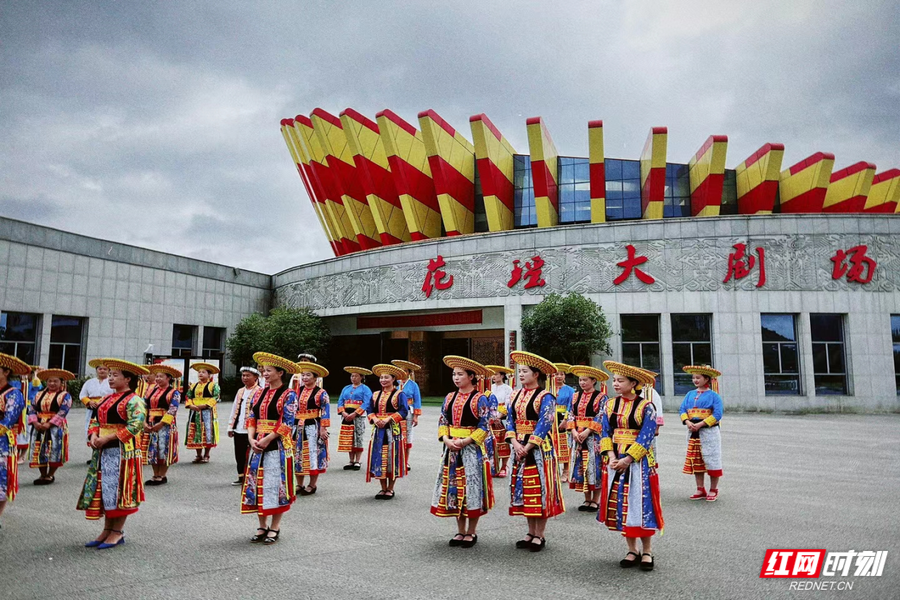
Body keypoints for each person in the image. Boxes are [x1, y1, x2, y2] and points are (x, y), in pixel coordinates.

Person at [599, 361, 664, 571]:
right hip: (615, 459)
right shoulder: (609, 405)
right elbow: (604, 431)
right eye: (614, 380)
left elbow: (646, 436)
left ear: (633, 383)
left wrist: (627, 459)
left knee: (641, 504)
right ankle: (631, 549)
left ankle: (647, 550)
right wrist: (611, 455)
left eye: (620, 380)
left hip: (639, 463)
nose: (615, 384)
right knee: (623, 503)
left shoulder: (647, 407)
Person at [78, 359, 148, 550]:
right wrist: (93, 435)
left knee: (119, 490)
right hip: (103, 451)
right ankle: (107, 529)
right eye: (109, 375)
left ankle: (117, 531)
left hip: (123, 452)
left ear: (127, 379)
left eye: (115, 375)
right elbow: (95, 421)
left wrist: (107, 438)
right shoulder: (106, 399)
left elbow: (136, 425)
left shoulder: (134, 400)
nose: (110, 378)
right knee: (105, 489)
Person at [432, 356, 494, 548]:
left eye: (460, 374)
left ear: (471, 376)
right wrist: (446, 439)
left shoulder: (480, 398)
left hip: (471, 450)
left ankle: (471, 531)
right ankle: (460, 530)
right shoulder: (449, 397)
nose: (456, 378)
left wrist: (466, 441)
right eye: (454, 374)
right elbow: (443, 420)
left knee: (471, 488)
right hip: (452, 450)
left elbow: (485, 425)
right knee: (455, 487)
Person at [506, 351, 565, 552]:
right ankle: (530, 532)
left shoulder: (546, 397)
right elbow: (510, 420)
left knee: (540, 488)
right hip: (518, 445)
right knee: (524, 489)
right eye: (520, 371)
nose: (521, 374)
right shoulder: (515, 395)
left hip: (539, 448)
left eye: (525, 371)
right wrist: (515, 442)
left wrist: (528, 446)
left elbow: (545, 423)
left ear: (536, 374)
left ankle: (540, 534)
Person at [241, 352, 298, 545]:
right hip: (257, 442)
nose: (265, 374)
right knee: (258, 482)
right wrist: (251, 438)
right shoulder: (259, 393)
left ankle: (275, 526)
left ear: (280, 373)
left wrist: (268, 439)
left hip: (278, 444)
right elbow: (252, 417)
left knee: (275, 484)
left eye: (269, 371)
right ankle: (261, 525)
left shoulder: (289, 394)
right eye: (264, 371)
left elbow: (287, 422)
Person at [566, 365, 609, 512]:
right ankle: (586, 498)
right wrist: (573, 430)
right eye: (580, 380)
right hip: (577, 435)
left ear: (593, 381)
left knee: (594, 465)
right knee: (582, 466)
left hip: (594, 437)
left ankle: (595, 500)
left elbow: (602, 415)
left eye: (585, 380)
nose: (582, 383)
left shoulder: (601, 397)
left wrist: (588, 431)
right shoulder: (575, 396)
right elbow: (570, 414)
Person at [363, 363, 409, 499]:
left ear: (393, 379)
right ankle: (382, 487)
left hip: (393, 431)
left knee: (392, 457)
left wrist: (389, 419)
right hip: (378, 430)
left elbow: (403, 411)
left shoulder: (399, 394)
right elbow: (370, 409)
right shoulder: (375, 394)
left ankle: (390, 488)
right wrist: (375, 419)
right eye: (381, 377)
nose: (383, 380)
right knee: (379, 456)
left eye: (386, 377)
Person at [679, 365, 724, 502]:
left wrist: (701, 424)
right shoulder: (689, 394)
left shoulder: (714, 396)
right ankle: (700, 488)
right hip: (693, 431)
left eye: (698, 377)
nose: (695, 380)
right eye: (693, 378)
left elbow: (717, 414)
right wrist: (687, 422)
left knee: (712, 459)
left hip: (709, 432)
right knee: (696, 459)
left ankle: (713, 489)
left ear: (707, 379)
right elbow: (682, 409)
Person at [28, 368, 75, 485]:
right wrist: (35, 423)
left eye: (55, 381)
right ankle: (42, 474)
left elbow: (63, 411)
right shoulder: (38, 394)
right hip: (39, 425)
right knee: (39, 448)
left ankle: (50, 474)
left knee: (55, 448)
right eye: (50, 381)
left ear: (61, 382)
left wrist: (49, 424)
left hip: (56, 427)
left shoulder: (65, 396)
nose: (52, 383)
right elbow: (32, 408)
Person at [0, 353, 30, 524]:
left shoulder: (14, 394)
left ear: (6, 372)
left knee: (1, 480)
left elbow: (8, 420)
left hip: (3, 441)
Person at [294, 361, 330, 496]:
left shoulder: (321, 393)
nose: (305, 377)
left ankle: (312, 484)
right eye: (303, 375)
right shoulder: (296, 391)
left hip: (312, 425)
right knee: (297, 453)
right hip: (297, 426)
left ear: (315, 378)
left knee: (312, 453)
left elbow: (325, 411)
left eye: (308, 375)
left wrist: (323, 428)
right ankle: (299, 484)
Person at [142, 364, 181, 486]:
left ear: (168, 378)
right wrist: (144, 422)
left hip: (165, 424)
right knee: (152, 448)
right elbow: (144, 407)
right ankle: (155, 474)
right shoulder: (151, 391)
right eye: (157, 376)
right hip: (151, 423)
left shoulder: (174, 392)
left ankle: (162, 475)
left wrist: (161, 423)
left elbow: (173, 409)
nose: (158, 379)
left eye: (161, 376)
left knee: (164, 448)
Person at [227, 367, 261, 487]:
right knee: (239, 453)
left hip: (253, 428)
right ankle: (241, 476)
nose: (245, 378)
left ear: (255, 377)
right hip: (239, 427)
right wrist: (230, 426)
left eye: (248, 375)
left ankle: (253, 477)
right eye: (243, 375)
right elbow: (234, 408)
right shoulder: (240, 391)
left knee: (253, 454)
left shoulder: (260, 391)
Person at [337, 367, 373, 470]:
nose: (353, 378)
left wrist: (355, 413)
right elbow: (340, 401)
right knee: (349, 437)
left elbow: (367, 402)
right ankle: (351, 460)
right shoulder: (346, 388)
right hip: (346, 414)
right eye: (352, 376)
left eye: (356, 376)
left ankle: (358, 460)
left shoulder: (365, 389)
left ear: (362, 377)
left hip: (358, 415)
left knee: (358, 436)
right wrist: (343, 412)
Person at [185, 362, 220, 463]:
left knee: (207, 431)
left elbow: (216, 397)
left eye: (203, 372)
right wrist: (190, 405)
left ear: (209, 375)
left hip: (207, 412)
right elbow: (188, 396)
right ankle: (198, 455)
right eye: (199, 372)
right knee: (196, 431)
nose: (200, 374)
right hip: (195, 411)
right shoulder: (193, 386)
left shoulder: (213, 385)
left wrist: (205, 405)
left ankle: (207, 454)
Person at [79, 360, 112, 463]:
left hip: (107, 410)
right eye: (100, 369)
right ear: (96, 370)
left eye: (105, 369)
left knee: (104, 430)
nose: (102, 371)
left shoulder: (111, 381)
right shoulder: (89, 382)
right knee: (91, 430)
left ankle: (104, 455)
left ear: (109, 371)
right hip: (92, 410)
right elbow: (82, 395)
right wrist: (89, 401)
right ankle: (94, 455)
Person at [392, 359, 421, 470]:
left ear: (409, 372)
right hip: (396, 411)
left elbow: (417, 401)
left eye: (405, 371)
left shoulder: (413, 385)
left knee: (408, 435)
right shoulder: (395, 383)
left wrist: (416, 416)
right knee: (395, 433)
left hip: (408, 411)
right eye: (401, 370)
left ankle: (405, 461)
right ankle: (395, 460)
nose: (403, 372)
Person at [485, 365, 514, 477]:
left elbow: (508, 404)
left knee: (503, 442)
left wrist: (499, 416)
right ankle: (493, 466)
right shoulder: (489, 388)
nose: (494, 376)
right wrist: (491, 417)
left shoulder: (508, 389)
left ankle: (504, 466)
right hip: (490, 418)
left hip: (502, 418)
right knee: (491, 443)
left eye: (496, 374)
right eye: (492, 374)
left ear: (502, 375)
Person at [550, 363, 574, 482]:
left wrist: (565, 420)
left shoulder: (570, 390)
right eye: (556, 374)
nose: (559, 376)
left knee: (564, 443)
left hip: (562, 417)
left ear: (565, 376)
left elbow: (571, 405)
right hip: (550, 418)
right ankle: (553, 471)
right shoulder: (548, 388)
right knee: (551, 443)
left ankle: (566, 471)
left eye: (561, 374)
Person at [13, 365, 41, 464]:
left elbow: (37, 386)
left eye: (26, 373)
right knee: (16, 432)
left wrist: (36, 374)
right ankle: (16, 453)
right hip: (16, 410)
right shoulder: (15, 383)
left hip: (28, 410)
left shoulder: (33, 383)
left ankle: (23, 455)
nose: (23, 375)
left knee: (26, 432)